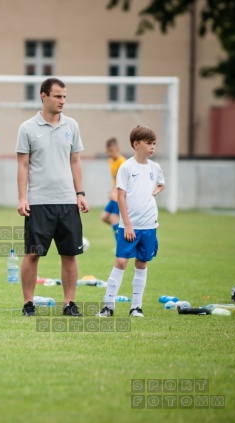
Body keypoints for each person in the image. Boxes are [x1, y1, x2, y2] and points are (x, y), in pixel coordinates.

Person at [16, 77, 89, 317]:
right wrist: (22, 198)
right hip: (39, 202)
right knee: (33, 253)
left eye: (65, 97)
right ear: (44, 96)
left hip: (68, 201)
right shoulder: (27, 127)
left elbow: (75, 161)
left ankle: (69, 304)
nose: (62, 101)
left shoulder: (72, 126)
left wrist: (80, 193)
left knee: (69, 253)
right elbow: (23, 165)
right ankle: (28, 303)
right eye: (58, 96)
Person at [96, 125, 165, 318]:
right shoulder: (126, 167)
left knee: (142, 263)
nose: (153, 147)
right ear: (136, 144)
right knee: (121, 261)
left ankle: (136, 307)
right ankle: (108, 306)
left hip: (149, 225)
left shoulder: (155, 167)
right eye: (149, 143)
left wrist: (155, 192)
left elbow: (161, 184)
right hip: (130, 225)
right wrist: (127, 224)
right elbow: (121, 198)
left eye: (154, 144)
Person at [100, 137, 127, 241]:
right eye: (108, 151)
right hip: (114, 195)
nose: (110, 153)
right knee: (104, 217)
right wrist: (112, 189)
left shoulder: (123, 162)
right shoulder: (111, 160)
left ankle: (120, 244)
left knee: (112, 218)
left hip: (119, 196)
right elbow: (116, 179)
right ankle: (123, 229)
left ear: (118, 149)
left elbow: (125, 181)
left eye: (112, 151)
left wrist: (117, 192)